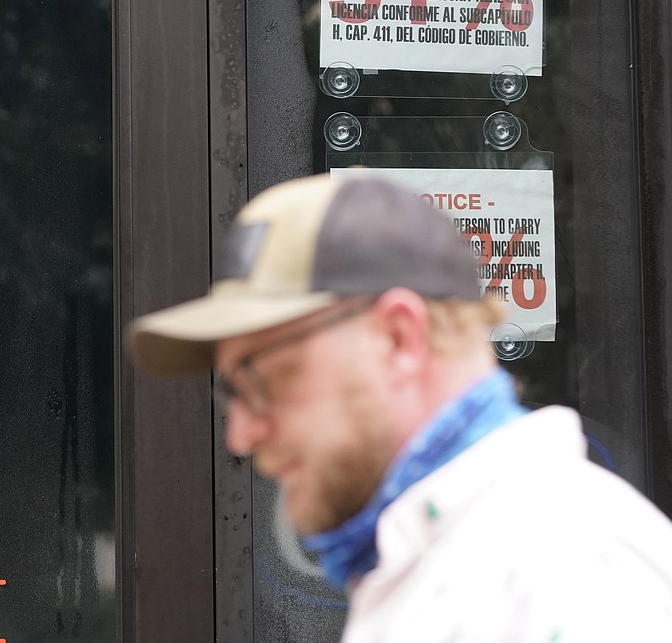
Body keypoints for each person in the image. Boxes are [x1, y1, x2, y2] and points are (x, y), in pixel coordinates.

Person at [128, 172, 672, 641]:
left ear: (399, 338)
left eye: (263, 377)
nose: (240, 435)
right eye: (231, 392)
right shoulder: (445, 558)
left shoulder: (569, 574)